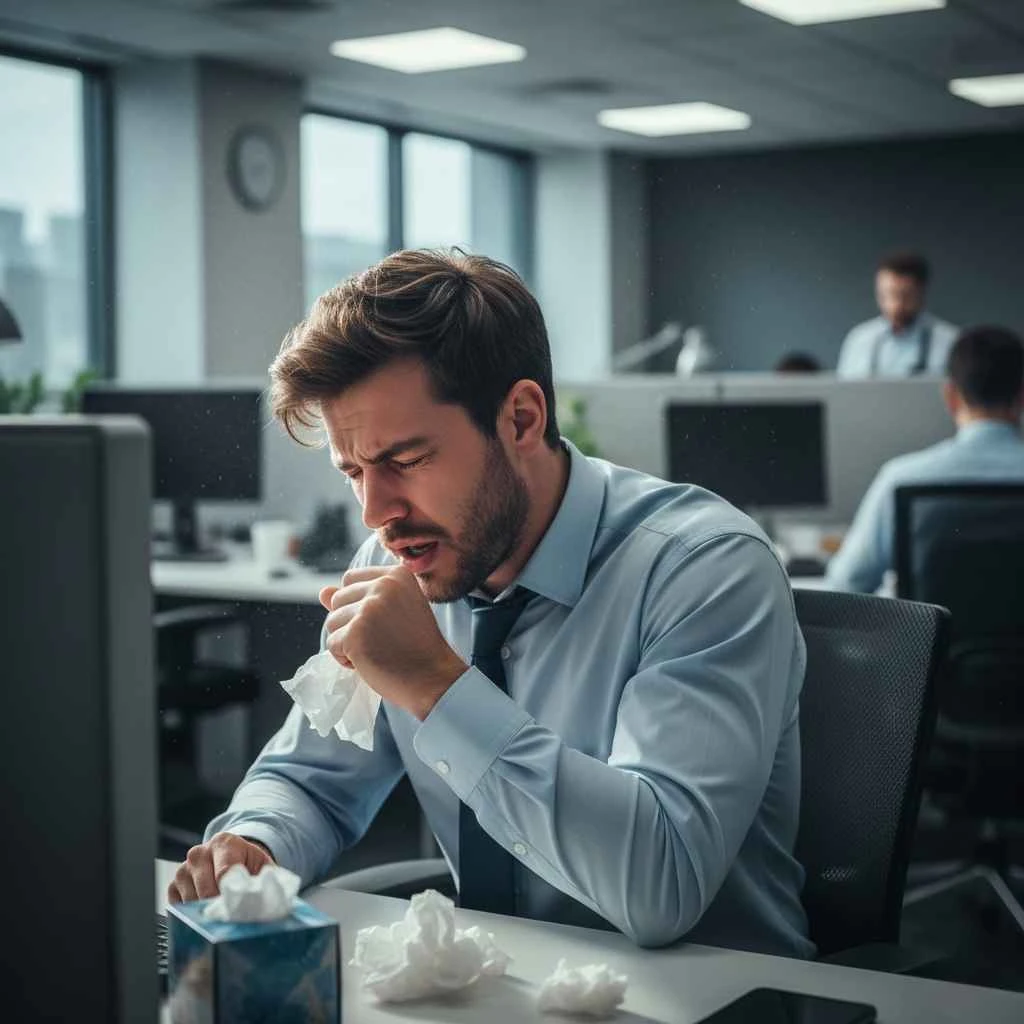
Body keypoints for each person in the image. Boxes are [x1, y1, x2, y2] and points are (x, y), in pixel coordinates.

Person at [167, 250, 813, 957]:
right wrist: (256, 840)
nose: (376, 512)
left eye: (405, 461)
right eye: (353, 471)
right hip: (497, 986)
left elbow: (662, 886)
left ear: (522, 418)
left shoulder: (703, 569)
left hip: (721, 996)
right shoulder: (398, 557)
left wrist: (439, 690)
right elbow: (311, 780)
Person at [827, 325, 1024, 594]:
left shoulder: (902, 478)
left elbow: (846, 585)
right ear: (1022, 395)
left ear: (951, 397)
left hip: (934, 637)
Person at [836, 251, 957, 378]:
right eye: (886, 295)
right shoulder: (859, 339)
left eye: (905, 296)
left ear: (921, 292)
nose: (895, 306)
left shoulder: (950, 342)